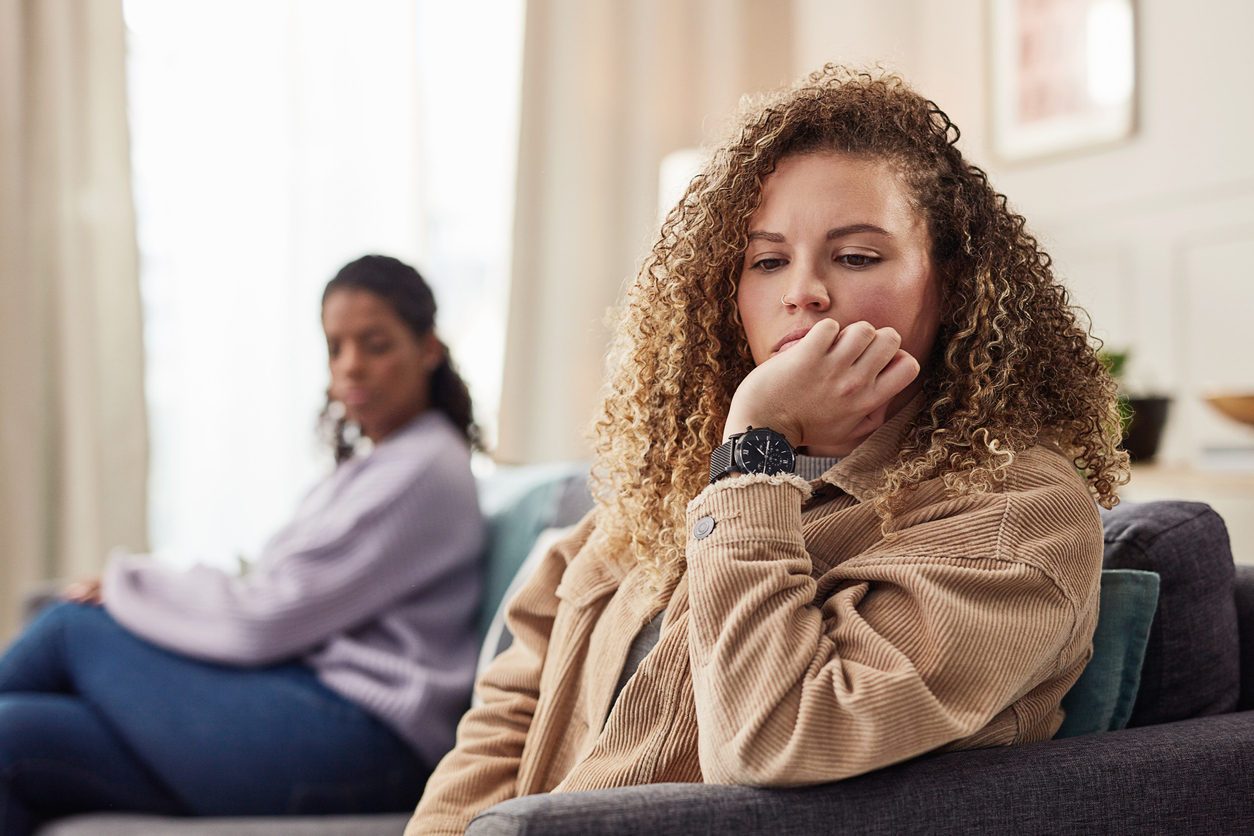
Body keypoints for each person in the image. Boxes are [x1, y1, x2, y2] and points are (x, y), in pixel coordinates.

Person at [405, 66, 1129, 836]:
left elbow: (776, 736)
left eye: (855, 257)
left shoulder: (1018, 513)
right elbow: (512, 707)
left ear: (950, 287)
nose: (804, 292)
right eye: (768, 261)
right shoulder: (672, 485)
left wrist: (756, 448)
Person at [0, 255, 486, 833]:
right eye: (335, 348)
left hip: (364, 741)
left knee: (67, 629)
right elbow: (270, 592)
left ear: (428, 348)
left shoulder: (424, 467)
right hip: (313, 713)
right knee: (14, 733)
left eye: (375, 344)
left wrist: (138, 582)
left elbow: (263, 618)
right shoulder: (379, 465)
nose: (351, 367)